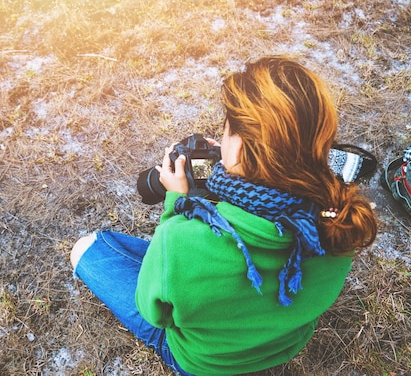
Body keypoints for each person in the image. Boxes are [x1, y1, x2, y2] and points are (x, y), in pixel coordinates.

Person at [70, 56, 378, 375]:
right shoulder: (339, 223)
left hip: (203, 362)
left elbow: (156, 312)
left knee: (88, 247)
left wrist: (177, 206)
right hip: (281, 345)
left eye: (227, 130)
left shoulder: (182, 239)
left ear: (242, 146)